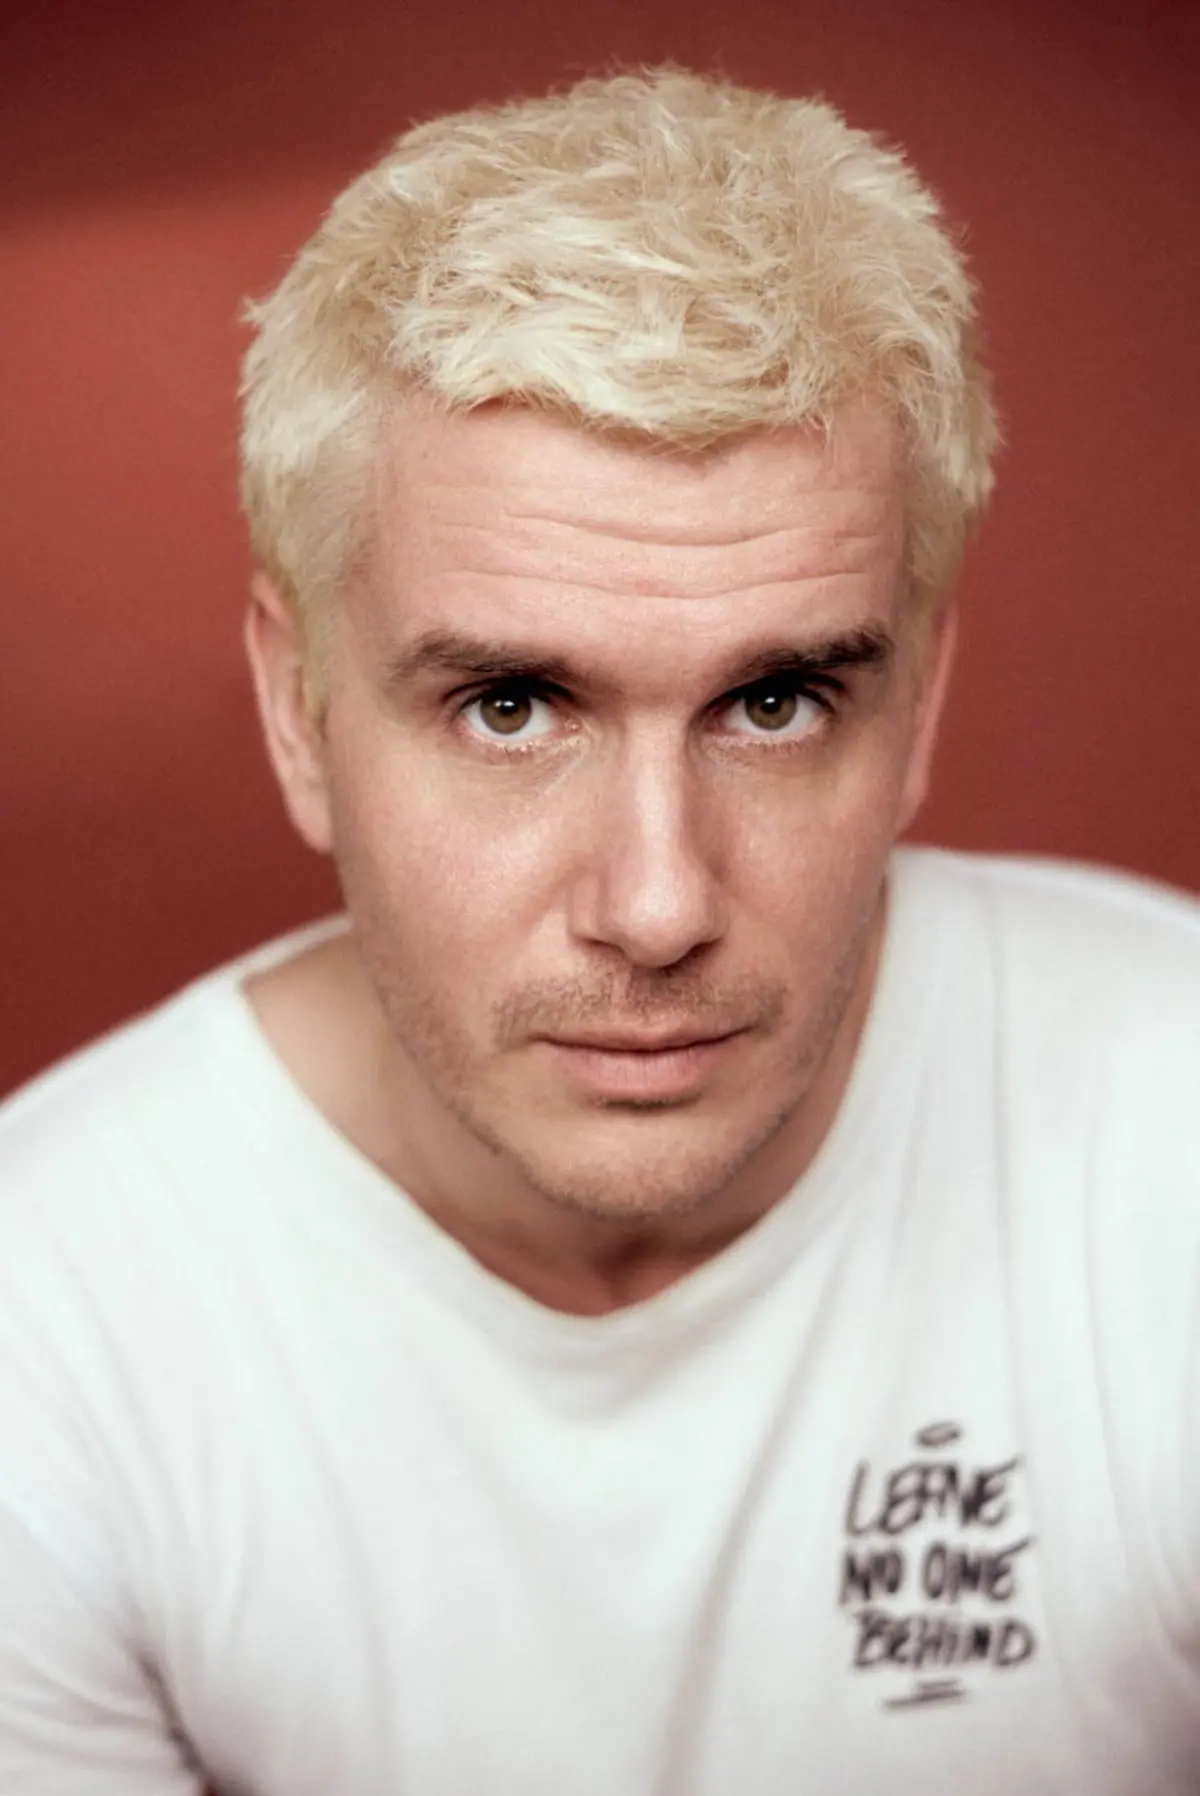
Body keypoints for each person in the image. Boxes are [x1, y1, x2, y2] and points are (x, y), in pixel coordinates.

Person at [0, 63, 1197, 1796]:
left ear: (922, 705)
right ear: (295, 708)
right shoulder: (46, 1326)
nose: (656, 905)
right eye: (509, 705)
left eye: (777, 701)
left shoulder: (1172, 1141)